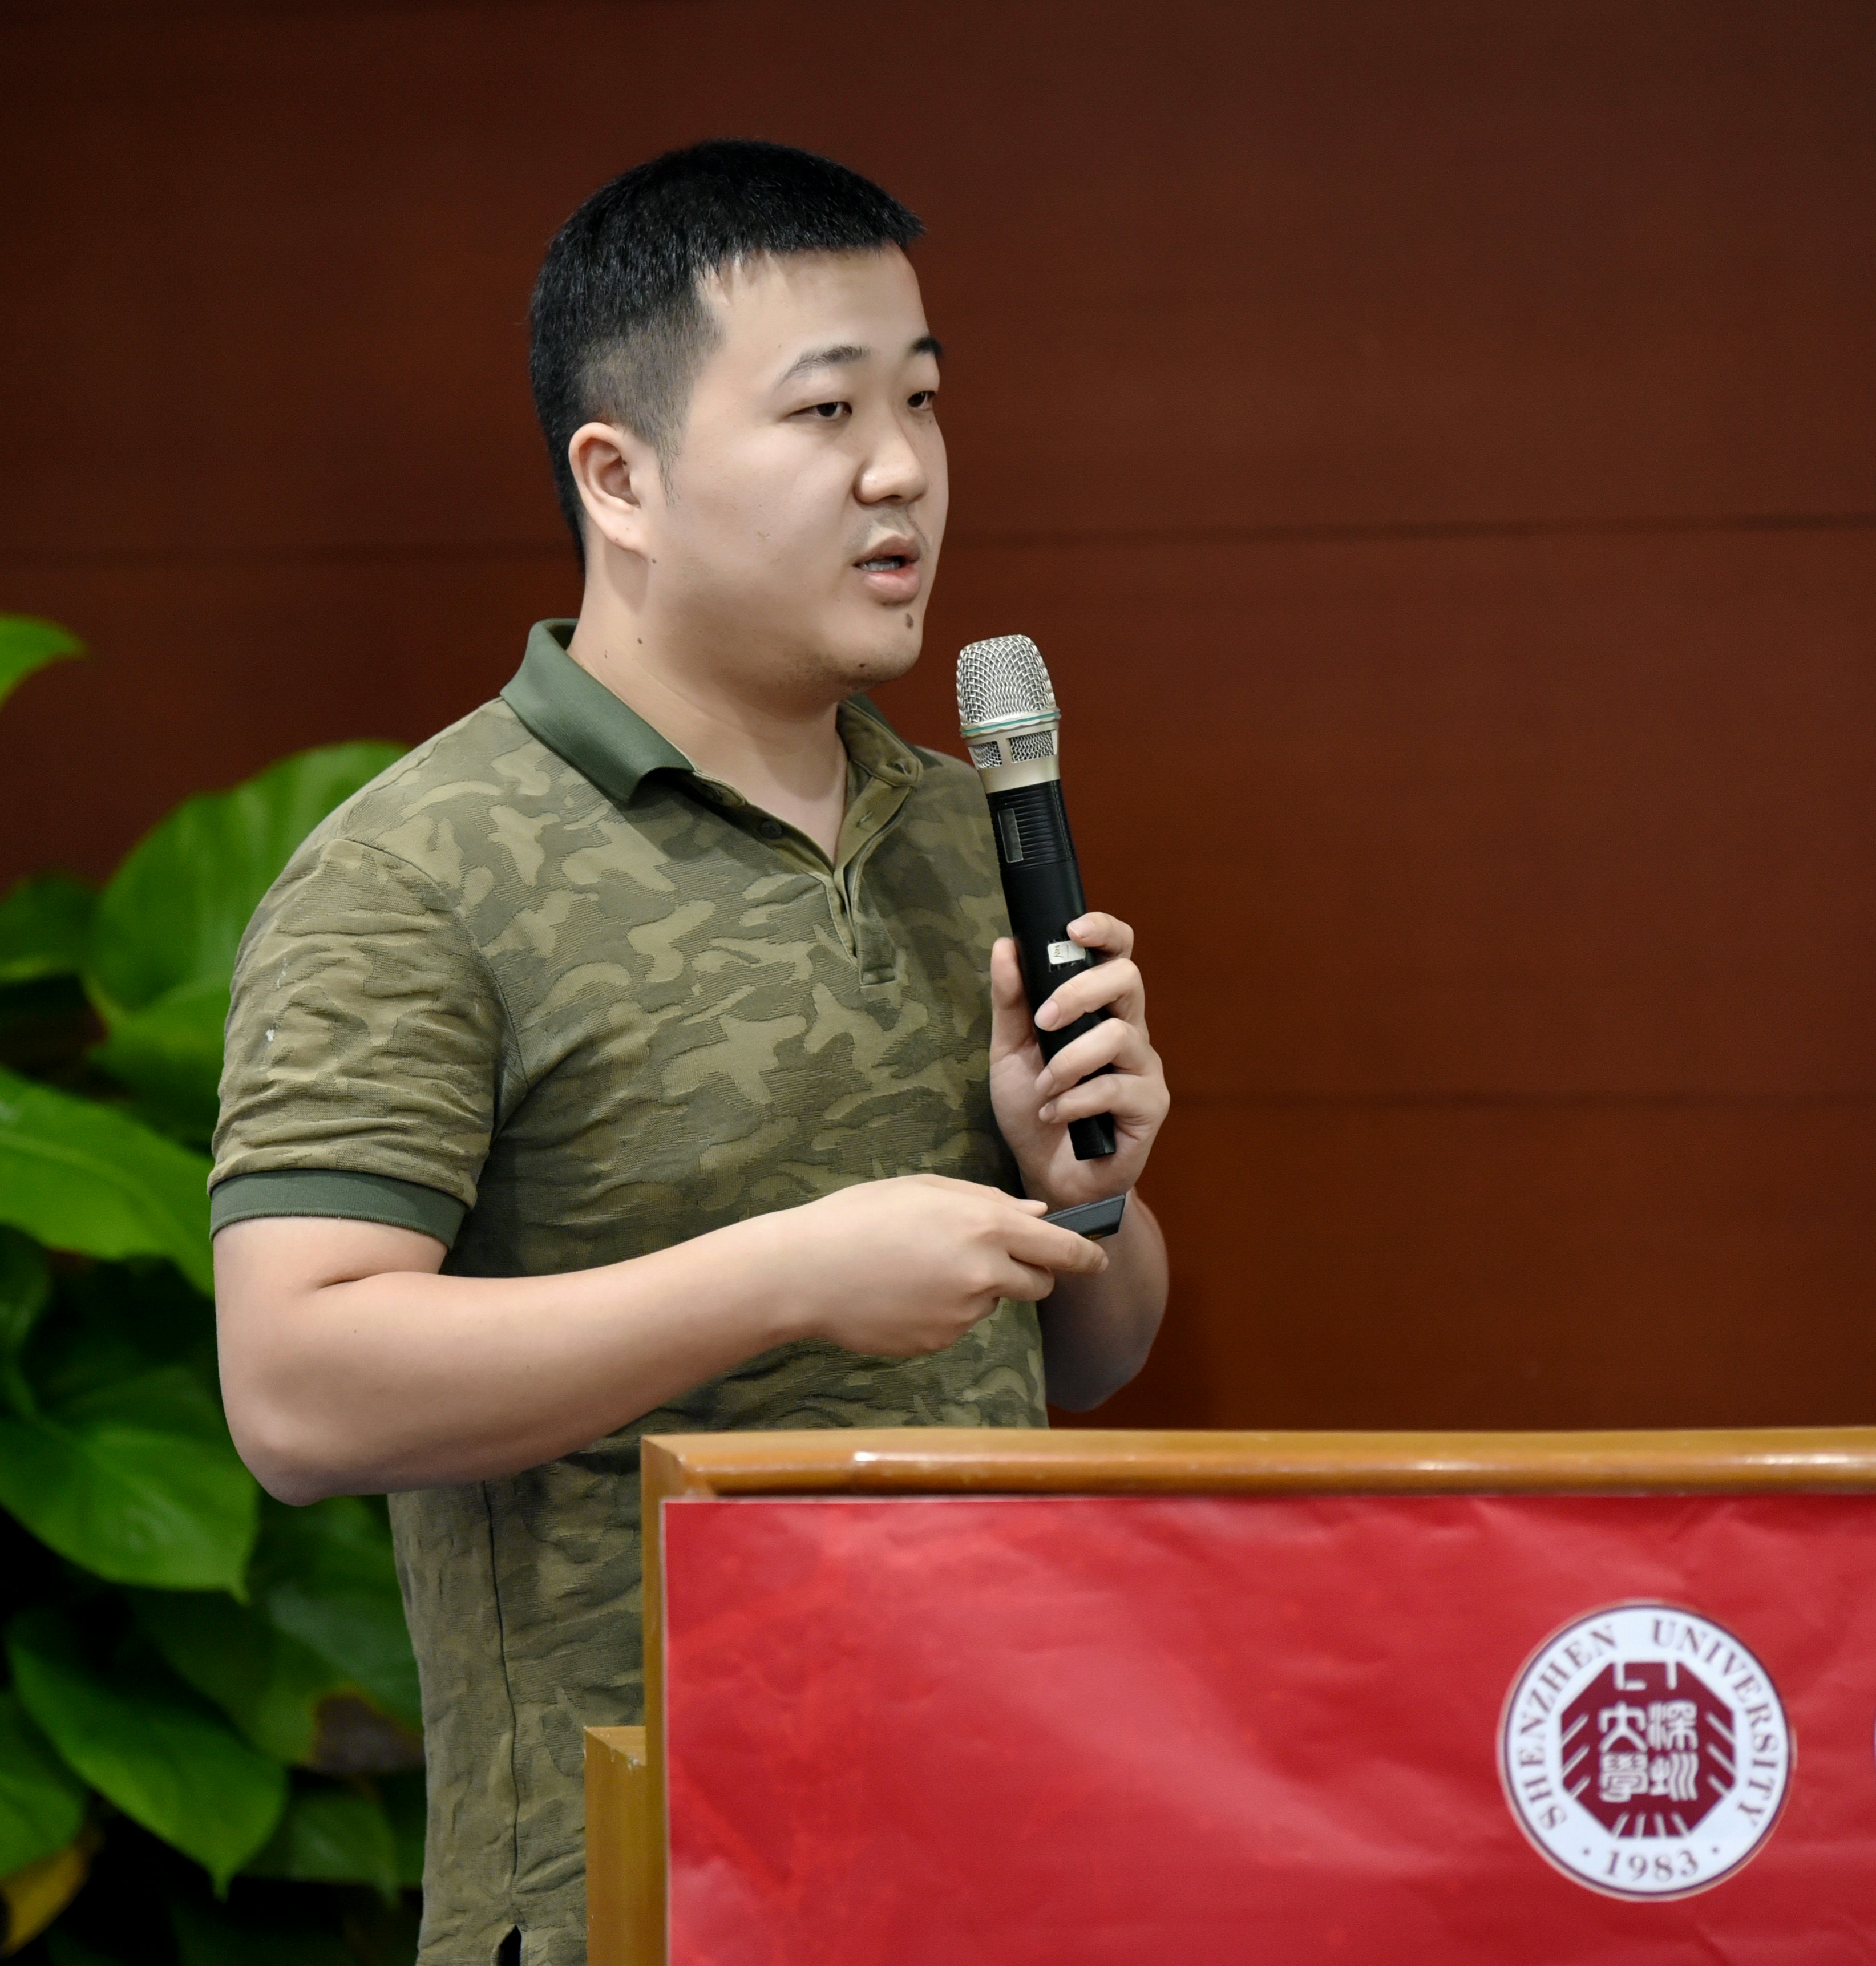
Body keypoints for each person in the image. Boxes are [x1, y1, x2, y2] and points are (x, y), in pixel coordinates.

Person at [212, 139, 1170, 1966]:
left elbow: (1090, 1355)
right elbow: (298, 1392)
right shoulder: (420, 870)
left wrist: (1089, 1200)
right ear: (619, 476)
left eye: (922, 400)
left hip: (994, 1852)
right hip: (636, 1891)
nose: (902, 469)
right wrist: (793, 1276)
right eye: (826, 412)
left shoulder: (963, 827)